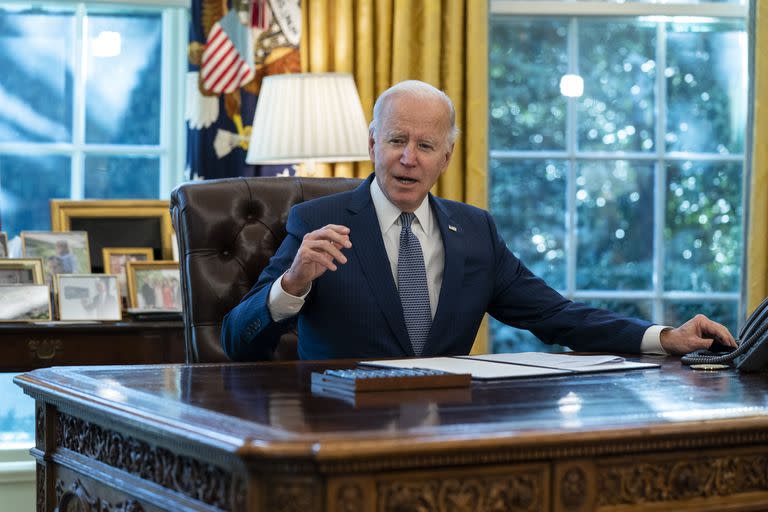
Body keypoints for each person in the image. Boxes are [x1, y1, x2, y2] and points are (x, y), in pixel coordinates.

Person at [221, 80, 737, 361]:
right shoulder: (317, 221)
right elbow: (238, 343)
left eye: (426, 146)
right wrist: (292, 284)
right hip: (337, 429)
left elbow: (559, 316)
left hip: (452, 429)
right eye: (397, 141)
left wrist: (664, 336)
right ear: (373, 143)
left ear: (446, 157)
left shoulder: (475, 231)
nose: (409, 159)